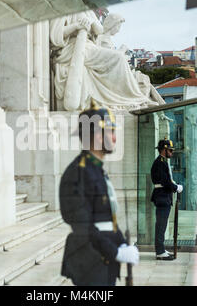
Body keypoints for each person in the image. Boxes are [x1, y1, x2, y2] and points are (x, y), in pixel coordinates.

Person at [59, 103, 139, 286]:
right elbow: (83, 226)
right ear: (97, 135)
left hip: (104, 259)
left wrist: (121, 244)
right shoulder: (78, 173)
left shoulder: (96, 170)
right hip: (90, 261)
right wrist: (116, 251)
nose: (115, 139)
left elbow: (108, 220)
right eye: (111, 132)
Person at [50, 10, 160, 111]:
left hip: (88, 46)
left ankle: (131, 99)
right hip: (72, 48)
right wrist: (76, 26)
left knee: (118, 58)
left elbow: (100, 30)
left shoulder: (87, 11)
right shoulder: (63, 10)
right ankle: (133, 99)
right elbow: (55, 36)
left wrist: (91, 22)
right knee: (118, 58)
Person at [150, 138, 183, 260]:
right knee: (161, 225)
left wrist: (174, 186)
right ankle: (159, 252)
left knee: (162, 225)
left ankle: (161, 249)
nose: (172, 152)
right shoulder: (160, 162)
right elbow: (165, 181)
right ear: (164, 149)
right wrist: (176, 187)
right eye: (170, 150)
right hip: (162, 197)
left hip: (164, 196)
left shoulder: (162, 162)